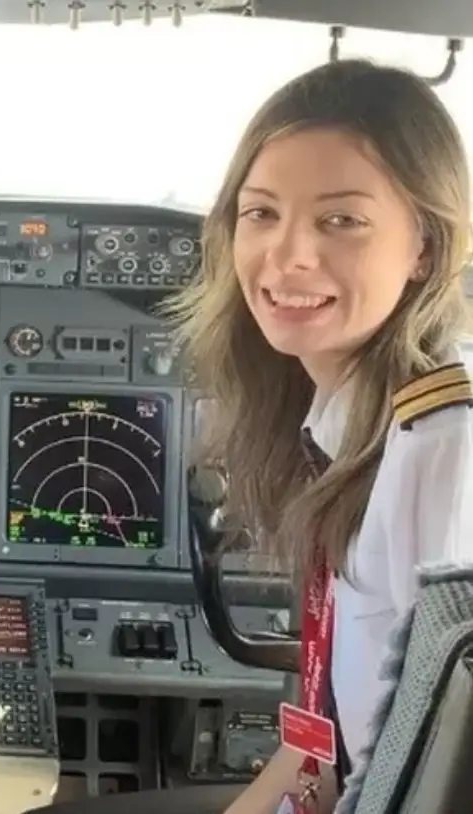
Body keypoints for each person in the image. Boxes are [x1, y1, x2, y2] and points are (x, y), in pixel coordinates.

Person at [165, 59, 473, 814]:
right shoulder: (341, 422)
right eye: (261, 213)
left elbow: (431, 772)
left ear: (425, 247)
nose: (288, 255)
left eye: (340, 220)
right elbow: (322, 740)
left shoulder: (441, 449)